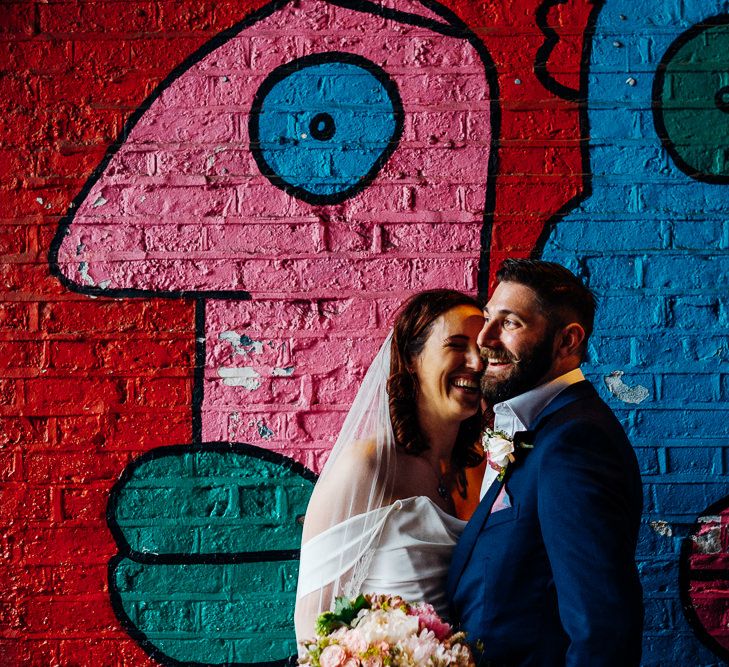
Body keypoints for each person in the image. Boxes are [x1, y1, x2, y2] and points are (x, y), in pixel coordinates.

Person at [447, 258, 644, 666]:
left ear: (568, 341)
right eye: (487, 318)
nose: (484, 338)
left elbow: (601, 631)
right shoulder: (540, 430)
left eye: (511, 322)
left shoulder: (576, 442)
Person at [295, 289, 485, 641]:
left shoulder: (485, 467)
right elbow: (312, 621)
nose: (476, 362)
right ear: (412, 358)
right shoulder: (367, 467)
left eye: (483, 348)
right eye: (457, 345)